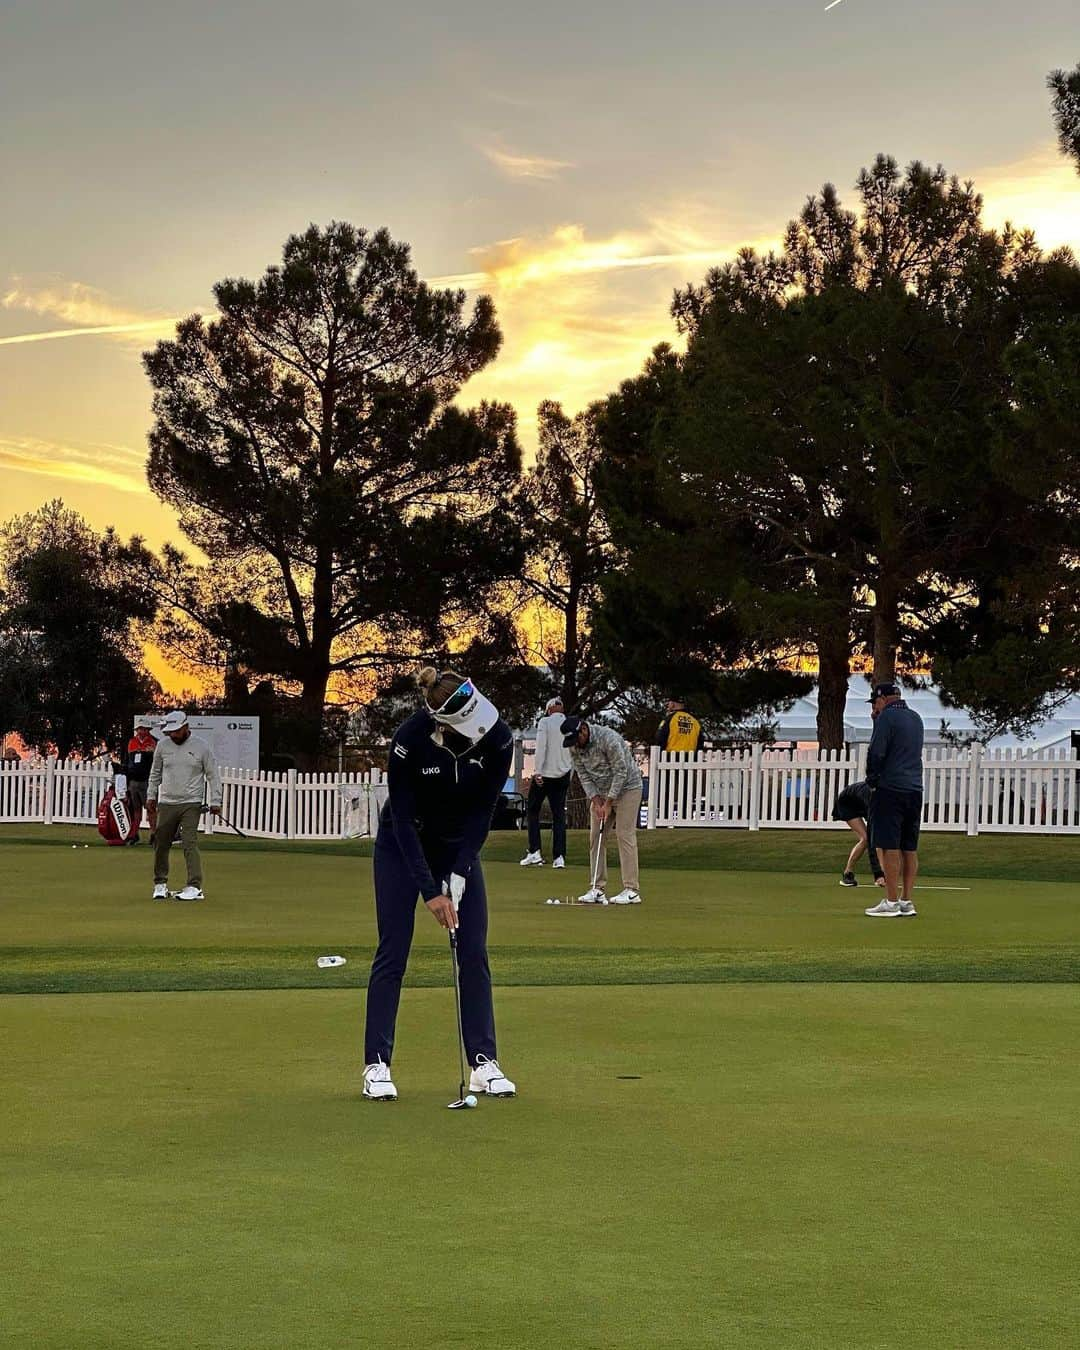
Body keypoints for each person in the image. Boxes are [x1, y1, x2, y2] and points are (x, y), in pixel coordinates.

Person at [363, 667, 517, 1103]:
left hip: (457, 846)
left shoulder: (497, 735)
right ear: (441, 722)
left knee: (474, 952)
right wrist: (430, 891)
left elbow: (483, 811)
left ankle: (483, 1064)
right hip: (401, 844)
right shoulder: (409, 741)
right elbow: (404, 821)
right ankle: (376, 1064)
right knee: (393, 949)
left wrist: (462, 870)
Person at [560, 715, 643, 905]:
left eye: (576, 738)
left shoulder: (608, 738)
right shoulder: (574, 746)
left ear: (583, 730)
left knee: (624, 835)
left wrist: (609, 802)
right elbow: (583, 774)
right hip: (601, 792)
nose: (575, 745)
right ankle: (597, 888)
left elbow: (621, 771)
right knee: (596, 838)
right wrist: (597, 802)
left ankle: (632, 890)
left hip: (628, 789)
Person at [862, 683, 925, 918]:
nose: (875, 707)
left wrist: (872, 779)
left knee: (888, 845)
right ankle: (906, 900)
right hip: (914, 787)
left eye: (875, 702)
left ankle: (890, 901)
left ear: (883, 699)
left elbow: (877, 751)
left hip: (890, 787)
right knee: (909, 846)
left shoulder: (887, 718)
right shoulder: (915, 717)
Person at [146, 710, 221, 901]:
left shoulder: (201, 746)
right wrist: (151, 796)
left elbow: (213, 775)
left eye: (176, 731)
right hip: (167, 802)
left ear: (186, 727)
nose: (173, 735)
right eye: (170, 732)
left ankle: (194, 886)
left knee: (189, 841)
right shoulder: (162, 746)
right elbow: (155, 774)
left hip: (191, 802)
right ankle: (160, 884)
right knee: (161, 842)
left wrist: (216, 801)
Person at [520, 696, 572, 869]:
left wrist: (538, 772)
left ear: (549, 710)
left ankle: (535, 851)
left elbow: (542, 746)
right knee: (559, 815)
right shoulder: (569, 724)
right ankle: (559, 857)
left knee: (533, 810)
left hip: (546, 775)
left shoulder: (545, 722)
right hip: (563, 775)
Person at [831, 779, 885, 887]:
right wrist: (878, 874)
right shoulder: (871, 796)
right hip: (847, 804)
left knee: (881, 839)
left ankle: (884, 874)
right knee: (866, 839)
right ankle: (848, 873)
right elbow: (872, 839)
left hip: (860, 804)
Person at [123, 717, 158, 845]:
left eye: (143, 729)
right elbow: (127, 762)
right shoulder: (132, 742)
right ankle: (134, 834)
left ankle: (154, 834)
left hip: (146, 781)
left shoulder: (153, 742)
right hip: (133, 781)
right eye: (139, 729)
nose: (140, 731)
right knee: (135, 809)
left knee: (150, 808)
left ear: (147, 730)